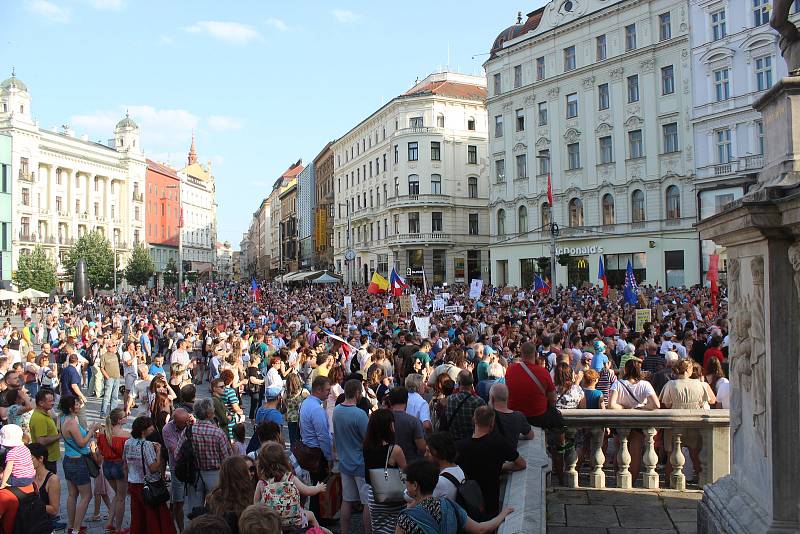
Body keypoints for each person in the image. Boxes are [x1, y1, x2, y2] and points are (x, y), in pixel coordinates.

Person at [396, 459, 514, 534]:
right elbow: (480, 529)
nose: (405, 483)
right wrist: (502, 514)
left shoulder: (406, 518)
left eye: (406, 480)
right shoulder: (450, 506)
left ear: (415, 485)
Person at [456, 406, 525, 519]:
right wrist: (502, 467)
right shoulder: (498, 442)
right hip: (490, 502)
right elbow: (521, 464)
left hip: (467, 502)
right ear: (492, 423)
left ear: (474, 420)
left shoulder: (460, 447)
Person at [253, 442, 330, 533]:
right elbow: (308, 491)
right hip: (295, 521)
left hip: (273, 523)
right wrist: (318, 488)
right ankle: (317, 531)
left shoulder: (262, 483)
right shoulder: (290, 478)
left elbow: (256, 503)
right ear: (283, 460)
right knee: (311, 515)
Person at [608, 358, 660, 483]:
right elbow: (656, 405)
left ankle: (618, 479)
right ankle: (632, 481)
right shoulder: (645, 384)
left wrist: (622, 407)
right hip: (638, 421)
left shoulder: (618, 384)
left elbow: (611, 405)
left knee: (620, 449)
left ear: (625, 369)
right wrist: (641, 407)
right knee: (635, 453)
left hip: (620, 421)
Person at [123, 416, 175, 534]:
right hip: (149, 484)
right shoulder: (146, 445)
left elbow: (125, 465)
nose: (152, 428)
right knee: (152, 514)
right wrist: (158, 452)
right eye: (149, 426)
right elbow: (153, 468)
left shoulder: (127, 443)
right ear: (143, 431)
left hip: (133, 482)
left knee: (137, 514)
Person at [332, 378, 371, 534]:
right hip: (360, 463)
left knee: (347, 500)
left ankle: (344, 531)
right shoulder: (359, 414)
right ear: (357, 393)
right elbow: (368, 439)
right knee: (367, 502)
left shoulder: (336, 411)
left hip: (344, 461)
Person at [59, 395, 100, 534]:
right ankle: (76, 529)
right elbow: (82, 442)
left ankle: (72, 526)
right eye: (76, 404)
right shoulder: (71, 422)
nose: (79, 406)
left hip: (68, 459)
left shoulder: (62, 418)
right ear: (71, 407)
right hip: (77, 461)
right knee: (86, 495)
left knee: (72, 494)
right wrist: (92, 430)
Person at [362, 409, 407, 534]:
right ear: (390, 426)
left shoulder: (366, 446)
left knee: (379, 528)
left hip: (374, 495)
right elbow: (406, 472)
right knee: (395, 528)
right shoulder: (395, 450)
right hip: (392, 495)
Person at [184, 398, 232, 513]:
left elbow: (177, 454)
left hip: (194, 473)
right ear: (209, 414)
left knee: (195, 510)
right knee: (216, 509)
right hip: (214, 474)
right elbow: (227, 458)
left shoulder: (189, 431)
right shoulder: (218, 433)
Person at [298, 376, 333, 518]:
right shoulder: (316, 409)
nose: (329, 393)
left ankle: (318, 517)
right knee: (319, 487)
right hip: (317, 453)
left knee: (316, 486)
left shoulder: (307, 403)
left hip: (309, 449)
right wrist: (329, 457)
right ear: (318, 390)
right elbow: (323, 437)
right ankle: (318, 519)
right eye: (327, 390)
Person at [96, 408, 129, 534]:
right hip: (120, 466)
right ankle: (119, 528)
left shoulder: (103, 434)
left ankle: (109, 523)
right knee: (121, 498)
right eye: (125, 416)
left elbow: (99, 452)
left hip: (107, 466)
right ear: (120, 420)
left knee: (117, 495)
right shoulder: (125, 435)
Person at [205, 455, 256, 533]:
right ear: (241, 475)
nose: (250, 474)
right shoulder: (248, 497)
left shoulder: (212, 497)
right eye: (246, 471)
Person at [162, 407, 192, 531]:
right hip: (177, 468)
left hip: (191, 468)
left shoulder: (190, 425)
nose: (186, 425)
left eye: (187, 422)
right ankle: (180, 529)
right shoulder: (167, 429)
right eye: (183, 424)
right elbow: (176, 452)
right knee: (178, 501)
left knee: (187, 500)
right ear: (175, 422)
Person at [28, 442, 64, 532]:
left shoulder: (52, 479)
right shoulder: (28, 477)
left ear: (40, 458)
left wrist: (32, 504)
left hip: (43, 525)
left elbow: (54, 510)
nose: (26, 462)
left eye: (30, 458)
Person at [488, 383, 534, 451]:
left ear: (491, 397)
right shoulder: (518, 416)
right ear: (507, 397)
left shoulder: (486, 415)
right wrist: (518, 436)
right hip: (510, 456)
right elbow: (530, 436)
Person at [443, 370, 486, 441]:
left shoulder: (449, 399)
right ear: (472, 382)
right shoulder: (479, 401)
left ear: (459, 383)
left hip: (454, 441)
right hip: (472, 442)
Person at [388, 387, 427, 463]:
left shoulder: (382, 419)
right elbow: (422, 447)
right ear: (406, 400)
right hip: (410, 465)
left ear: (390, 401)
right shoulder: (414, 422)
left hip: (388, 464)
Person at [423, 432, 465, 501]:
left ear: (438, 452)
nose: (425, 455)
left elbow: (422, 501)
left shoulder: (440, 482)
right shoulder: (459, 470)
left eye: (428, 451)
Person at [29, 389, 61, 474]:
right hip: (47, 459)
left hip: (50, 457)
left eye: (53, 400)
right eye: (50, 401)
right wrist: (60, 435)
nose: (53, 403)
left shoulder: (45, 413)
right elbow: (41, 441)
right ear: (41, 403)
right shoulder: (40, 418)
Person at [0, 424, 35, 488]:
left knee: (2, 476)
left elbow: (8, 469)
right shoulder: (25, 448)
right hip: (31, 477)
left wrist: (3, 483)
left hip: (20, 480)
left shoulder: (12, 453)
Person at [283, 372, 308, 447]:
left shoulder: (286, 393)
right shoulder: (303, 392)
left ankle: (294, 454)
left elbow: (286, 405)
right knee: (303, 439)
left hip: (291, 418)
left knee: (293, 439)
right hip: (302, 418)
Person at [99, 340, 122, 417]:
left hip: (117, 377)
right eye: (112, 346)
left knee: (115, 396)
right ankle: (103, 412)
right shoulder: (104, 356)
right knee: (107, 396)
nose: (113, 347)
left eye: (114, 346)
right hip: (109, 378)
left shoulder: (115, 355)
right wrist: (107, 377)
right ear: (107, 347)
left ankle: (113, 413)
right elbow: (101, 368)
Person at [245, 353, 265, 422]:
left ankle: (255, 419)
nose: (260, 359)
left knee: (257, 404)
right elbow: (252, 380)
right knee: (255, 405)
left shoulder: (256, 368)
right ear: (255, 359)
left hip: (258, 390)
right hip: (255, 390)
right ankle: (253, 420)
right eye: (258, 357)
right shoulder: (253, 369)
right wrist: (263, 380)